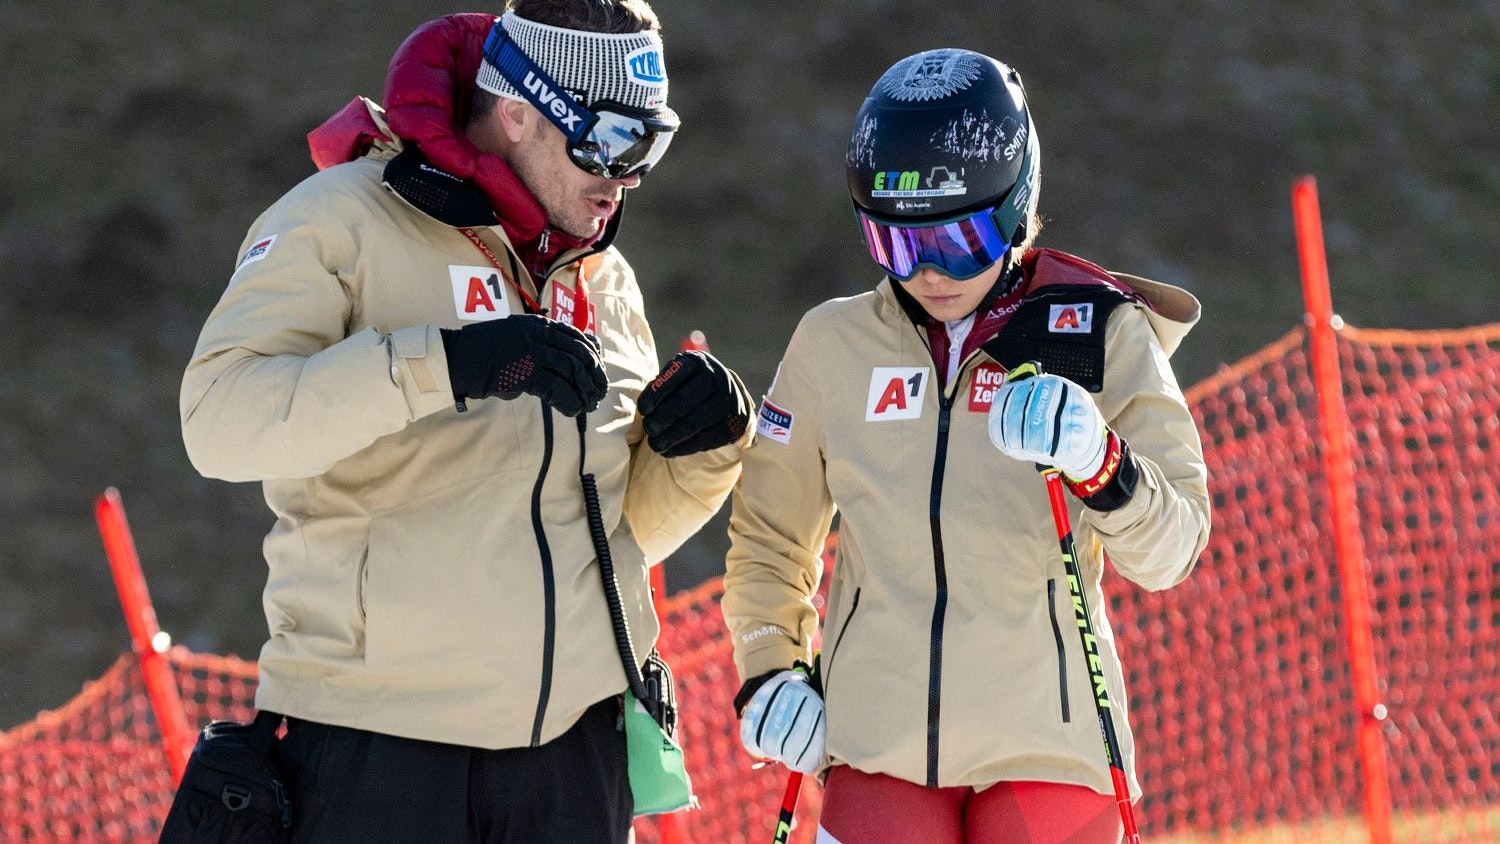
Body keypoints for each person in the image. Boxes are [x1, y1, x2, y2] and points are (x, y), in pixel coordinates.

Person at [180, 3, 753, 842]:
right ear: (517, 111)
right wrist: (443, 365)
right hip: (380, 748)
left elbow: (617, 534)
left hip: (572, 757)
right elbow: (218, 421)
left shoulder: (600, 274)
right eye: (609, 142)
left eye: (650, 145)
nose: (628, 177)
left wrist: (703, 450)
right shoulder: (338, 220)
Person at [722, 48, 1211, 844]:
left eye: (958, 241)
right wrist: (771, 669)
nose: (929, 273)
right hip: (878, 748)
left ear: (1017, 206)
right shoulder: (830, 345)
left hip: (1049, 751)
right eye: (897, 245)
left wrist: (1102, 464)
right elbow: (770, 538)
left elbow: (1175, 549)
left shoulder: (1100, 331)